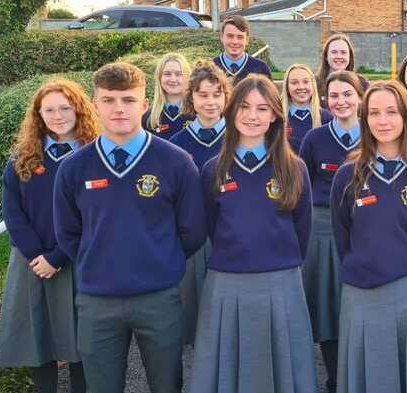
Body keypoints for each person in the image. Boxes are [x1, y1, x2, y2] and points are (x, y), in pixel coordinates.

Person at [53, 62, 206, 393]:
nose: (118, 108)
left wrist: (161, 261)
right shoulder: (73, 168)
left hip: (159, 297)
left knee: (167, 384)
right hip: (97, 300)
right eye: (108, 100)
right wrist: (98, 260)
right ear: (95, 105)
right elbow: (67, 232)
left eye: (128, 99)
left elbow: (192, 229)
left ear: (145, 104)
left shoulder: (176, 161)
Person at [190, 74, 316, 393]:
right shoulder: (213, 169)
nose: (252, 115)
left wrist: (279, 259)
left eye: (262, 108)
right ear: (231, 111)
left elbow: (302, 227)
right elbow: (211, 226)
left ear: (274, 114)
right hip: (227, 281)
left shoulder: (294, 167)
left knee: (284, 368)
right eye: (244, 107)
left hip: (281, 280)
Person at [330, 80, 407, 392]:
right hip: (362, 291)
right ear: (364, 119)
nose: (383, 121)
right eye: (374, 113)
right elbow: (342, 237)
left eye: (392, 112)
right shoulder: (348, 175)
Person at [0, 78, 99, 393]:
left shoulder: (96, 156)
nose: (57, 116)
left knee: (83, 342)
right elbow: (13, 213)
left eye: (64, 108)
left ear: (79, 110)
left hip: (79, 261)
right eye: (49, 110)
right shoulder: (22, 157)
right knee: (35, 337)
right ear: (38, 115)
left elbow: (98, 216)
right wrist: (37, 256)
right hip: (32, 263)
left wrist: (58, 256)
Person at [298, 70, 364, 391]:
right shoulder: (314, 138)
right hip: (323, 229)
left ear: (360, 97)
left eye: (347, 94)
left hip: (368, 225)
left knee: (361, 302)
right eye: (334, 96)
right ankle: (336, 376)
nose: (341, 101)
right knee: (328, 305)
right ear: (325, 99)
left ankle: (362, 372)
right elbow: (303, 187)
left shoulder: (377, 134)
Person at [169, 59, 231, 345]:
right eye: (203, 95)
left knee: (227, 322)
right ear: (191, 97)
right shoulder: (176, 144)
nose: (210, 102)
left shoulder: (239, 139)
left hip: (230, 239)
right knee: (191, 323)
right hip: (192, 240)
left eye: (216, 94)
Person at [142, 52, 194, 140]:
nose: (173, 79)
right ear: (159, 78)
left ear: (187, 77)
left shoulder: (199, 114)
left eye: (179, 74)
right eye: (167, 74)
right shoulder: (147, 118)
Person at [281, 63, 332, 153]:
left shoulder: (326, 118)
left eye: (306, 82)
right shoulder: (278, 117)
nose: (301, 87)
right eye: (294, 82)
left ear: (313, 85)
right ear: (287, 88)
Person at [213, 15, 272, 86]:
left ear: (247, 40)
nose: (235, 42)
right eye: (230, 36)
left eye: (240, 37)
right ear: (222, 37)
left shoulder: (261, 68)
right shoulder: (211, 68)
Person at [316, 34, 370, 109]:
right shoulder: (314, 84)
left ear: (349, 56)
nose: (339, 56)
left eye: (343, 52)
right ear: (326, 56)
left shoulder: (362, 83)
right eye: (334, 52)